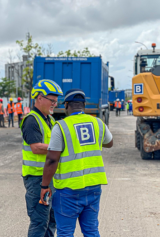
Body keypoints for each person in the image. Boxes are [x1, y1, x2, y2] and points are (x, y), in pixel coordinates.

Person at [40, 88, 113, 237]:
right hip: (93, 187)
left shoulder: (61, 126)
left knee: (65, 233)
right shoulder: (98, 123)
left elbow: (52, 159)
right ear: (84, 105)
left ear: (66, 105)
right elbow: (109, 142)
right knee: (91, 231)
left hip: (68, 190)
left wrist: (44, 186)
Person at [20, 79, 63, 237]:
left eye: (56, 101)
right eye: (52, 100)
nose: (55, 104)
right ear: (39, 98)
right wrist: (59, 148)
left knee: (52, 220)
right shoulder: (31, 120)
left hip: (50, 178)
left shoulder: (50, 120)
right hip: (37, 180)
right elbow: (36, 147)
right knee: (39, 222)